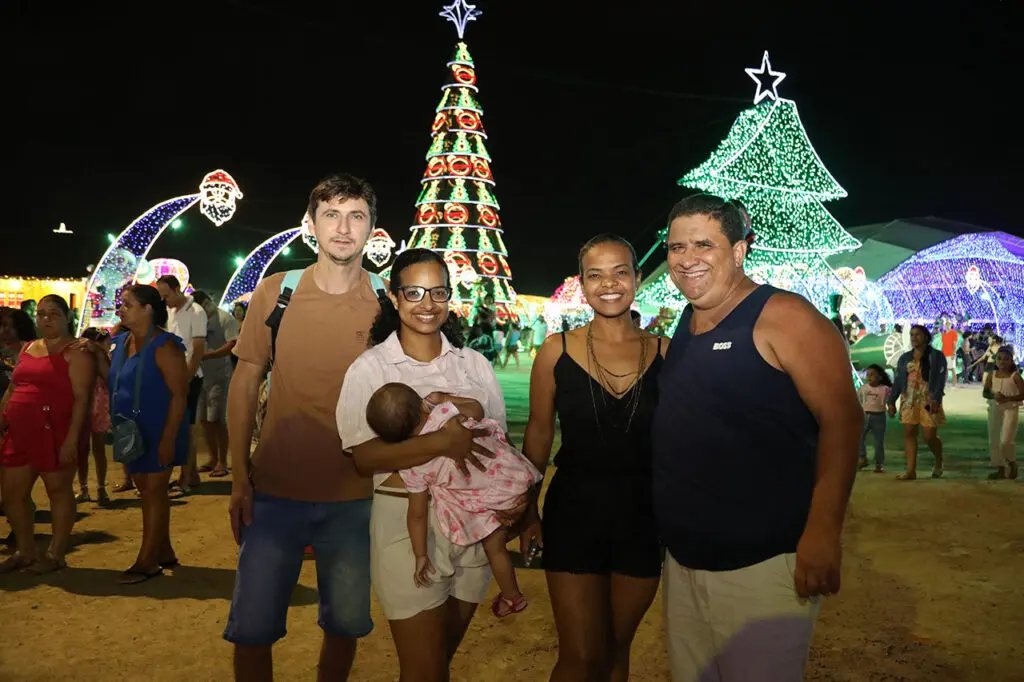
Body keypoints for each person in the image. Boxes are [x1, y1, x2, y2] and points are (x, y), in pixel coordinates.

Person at [651, 194, 861, 682]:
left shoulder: (783, 316)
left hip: (762, 564)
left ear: (740, 250)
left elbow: (843, 421)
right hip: (685, 563)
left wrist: (824, 530)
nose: (687, 258)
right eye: (676, 246)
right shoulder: (687, 320)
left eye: (704, 243)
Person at [338, 248, 525, 682]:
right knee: (424, 670)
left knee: (437, 663)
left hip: (476, 524)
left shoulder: (473, 364)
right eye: (415, 292)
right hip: (407, 523)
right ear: (394, 296)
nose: (427, 303)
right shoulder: (371, 368)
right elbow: (362, 458)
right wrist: (442, 443)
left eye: (438, 292)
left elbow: (502, 442)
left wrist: (525, 509)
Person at [224, 173, 382, 682]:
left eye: (356, 215)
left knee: (346, 623)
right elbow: (245, 383)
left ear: (371, 228)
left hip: (358, 496)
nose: (343, 227)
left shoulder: (388, 304)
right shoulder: (276, 293)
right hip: (275, 491)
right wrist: (238, 478)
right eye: (331, 214)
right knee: (252, 628)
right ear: (310, 224)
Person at [521, 234, 668, 682]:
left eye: (620, 272)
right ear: (582, 284)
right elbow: (539, 433)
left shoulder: (667, 352)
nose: (609, 284)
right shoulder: (556, 351)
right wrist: (527, 511)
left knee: (615, 649)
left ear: (637, 278)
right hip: (574, 513)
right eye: (595, 274)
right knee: (580, 654)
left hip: (643, 517)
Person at [365, 382, 540, 616]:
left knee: (494, 548)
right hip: (517, 475)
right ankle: (511, 595)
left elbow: (417, 514)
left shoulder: (412, 466)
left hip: (495, 502)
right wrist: (445, 397)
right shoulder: (444, 414)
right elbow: (477, 409)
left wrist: (420, 555)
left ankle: (512, 596)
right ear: (421, 405)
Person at [0, 295, 95, 573]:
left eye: (53, 313)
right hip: (19, 433)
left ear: (67, 317)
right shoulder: (29, 347)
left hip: (55, 431)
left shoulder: (76, 351)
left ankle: (55, 553)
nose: (46, 319)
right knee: (11, 496)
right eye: (41, 314)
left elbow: (82, 398)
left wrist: (72, 439)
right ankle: (25, 550)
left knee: (58, 491)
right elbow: (13, 388)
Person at [104, 285, 190, 583]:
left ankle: (147, 560)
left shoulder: (165, 346)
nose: (121, 309)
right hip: (131, 429)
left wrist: (168, 438)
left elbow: (180, 395)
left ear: (147, 309)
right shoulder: (123, 342)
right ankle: (163, 550)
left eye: (128, 304)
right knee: (148, 492)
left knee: (153, 492)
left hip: (159, 426)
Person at [156, 275, 206, 493]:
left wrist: (186, 378)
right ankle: (190, 475)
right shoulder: (168, 312)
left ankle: (185, 478)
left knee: (186, 428)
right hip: (171, 376)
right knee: (178, 426)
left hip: (189, 378)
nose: (164, 299)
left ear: (177, 289)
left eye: (166, 294)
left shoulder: (196, 312)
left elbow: (198, 350)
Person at [887, 325, 947, 480]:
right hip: (909, 398)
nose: (914, 338)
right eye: (912, 335)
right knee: (909, 433)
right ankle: (910, 471)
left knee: (929, 435)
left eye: (918, 335)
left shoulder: (936, 356)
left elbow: (940, 380)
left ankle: (939, 460)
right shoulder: (905, 357)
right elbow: (899, 380)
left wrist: (936, 399)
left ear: (926, 337)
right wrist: (891, 401)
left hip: (928, 398)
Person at [192, 291, 239, 478]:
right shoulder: (198, 319)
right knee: (204, 420)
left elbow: (232, 344)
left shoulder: (225, 319)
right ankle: (212, 458)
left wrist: (208, 355)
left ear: (207, 303)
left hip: (220, 375)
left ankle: (222, 461)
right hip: (202, 375)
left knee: (217, 420)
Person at [76, 328, 113, 504]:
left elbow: (108, 377)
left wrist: (99, 354)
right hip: (87, 405)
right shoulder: (81, 356)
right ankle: (85, 488)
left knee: (97, 449)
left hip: (98, 405)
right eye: (106, 342)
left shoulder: (102, 357)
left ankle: (100, 488)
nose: (109, 345)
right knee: (82, 450)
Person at [984, 347, 1023, 480]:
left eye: (1006, 359)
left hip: (1010, 409)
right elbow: (985, 392)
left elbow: (1022, 394)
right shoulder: (992, 375)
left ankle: (1011, 463)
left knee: (1006, 440)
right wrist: (994, 396)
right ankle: (1000, 469)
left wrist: (1008, 398)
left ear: (1012, 361)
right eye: (999, 358)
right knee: (994, 439)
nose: (1002, 362)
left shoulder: (1015, 376)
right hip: (995, 409)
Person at [857, 364, 892, 473]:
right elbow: (858, 401)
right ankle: (862, 457)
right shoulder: (863, 388)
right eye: (868, 374)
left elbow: (890, 401)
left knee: (878, 441)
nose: (869, 377)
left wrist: (891, 408)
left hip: (880, 417)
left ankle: (879, 463)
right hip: (866, 416)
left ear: (880, 377)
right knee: (859, 437)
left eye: (872, 374)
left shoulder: (885, 389)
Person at [940, 321, 959, 386]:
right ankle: (944, 382)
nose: (947, 326)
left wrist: (953, 353)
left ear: (951, 325)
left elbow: (955, 344)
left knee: (952, 368)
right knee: (946, 369)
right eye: (946, 325)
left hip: (951, 354)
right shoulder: (944, 334)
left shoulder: (953, 333)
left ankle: (954, 383)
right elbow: (943, 345)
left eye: (949, 325)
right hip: (944, 354)